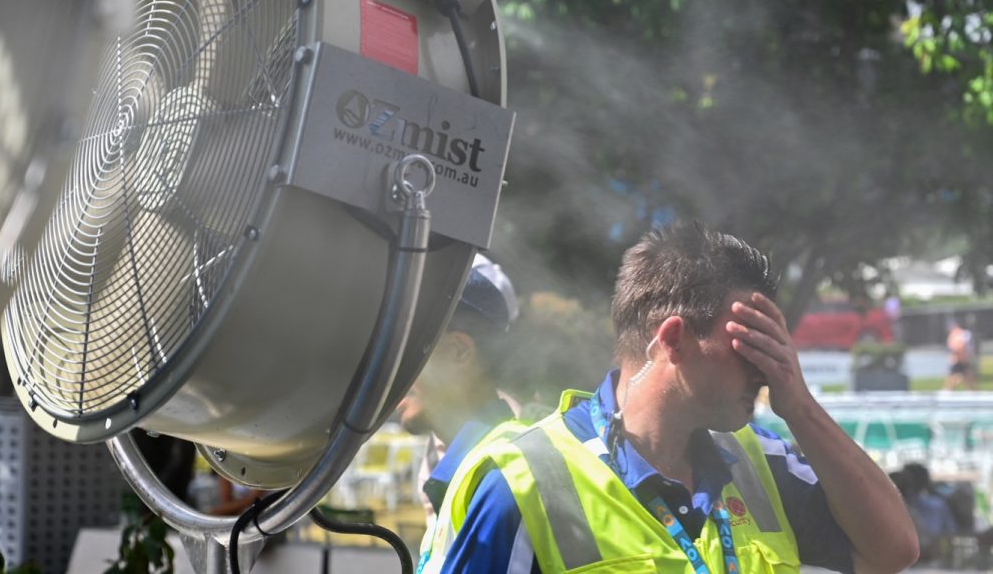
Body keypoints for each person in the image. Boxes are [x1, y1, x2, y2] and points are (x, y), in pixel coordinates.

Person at [422, 222, 919, 573]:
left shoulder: (762, 463)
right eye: (750, 344)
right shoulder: (525, 481)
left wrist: (801, 408)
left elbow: (893, 551)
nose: (768, 370)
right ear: (675, 339)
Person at [396, 253, 523, 528]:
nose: (392, 371)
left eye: (405, 349)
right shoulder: (468, 467)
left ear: (459, 351)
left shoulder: (502, 480)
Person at [946, 319, 977, 390]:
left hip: (960, 359)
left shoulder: (960, 334)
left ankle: (973, 391)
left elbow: (961, 346)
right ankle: (948, 390)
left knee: (961, 377)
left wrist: (959, 353)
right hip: (958, 359)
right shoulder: (954, 334)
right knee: (964, 376)